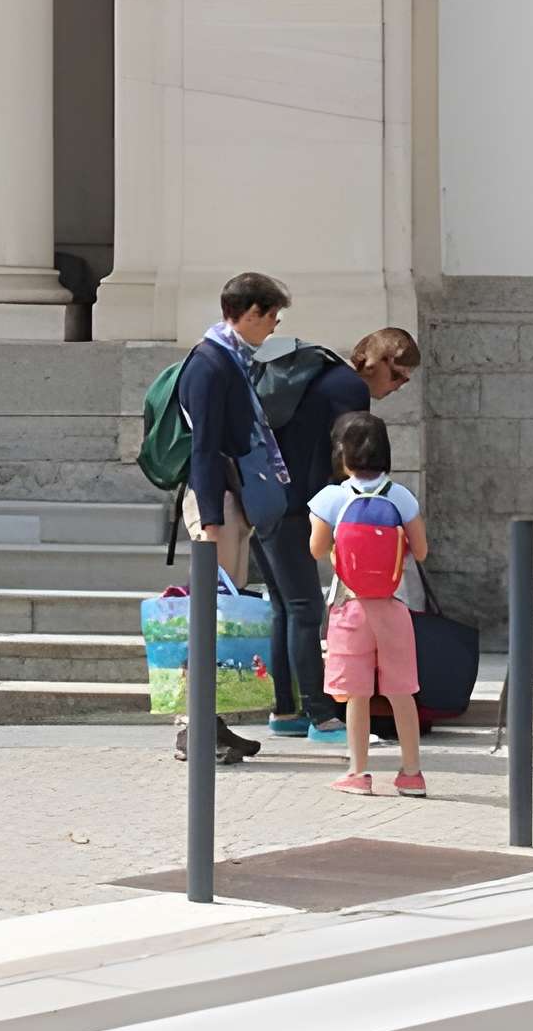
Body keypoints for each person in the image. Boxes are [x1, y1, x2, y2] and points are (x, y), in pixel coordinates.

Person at [258, 327, 422, 744]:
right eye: (399, 374)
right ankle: (321, 716)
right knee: (305, 608)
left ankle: (285, 710)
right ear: (379, 361)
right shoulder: (350, 390)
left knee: (284, 607)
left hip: (264, 498)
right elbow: (351, 461)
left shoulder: (324, 376)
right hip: (298, 506)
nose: (401, 386)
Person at [174, 269, 292, 764]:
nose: (274, 327)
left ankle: (211, 722)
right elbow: (204, 445)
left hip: (229, 499)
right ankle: (191, 728)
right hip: (216, 501)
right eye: (271, 317)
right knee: (211, 615)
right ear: (249, 314)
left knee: (225, 615)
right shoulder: (211, 363)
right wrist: (211, 520)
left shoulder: (230, 360)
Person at [310, 409, 429, 798]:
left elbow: (316, 549)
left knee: (356, 694)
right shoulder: (401, 496)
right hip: (393, 604)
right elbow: (422, 551)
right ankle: (411, 773)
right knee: (401, 691)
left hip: (349, 605)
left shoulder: (331, 498)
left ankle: (358, 773)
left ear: (342, 454)